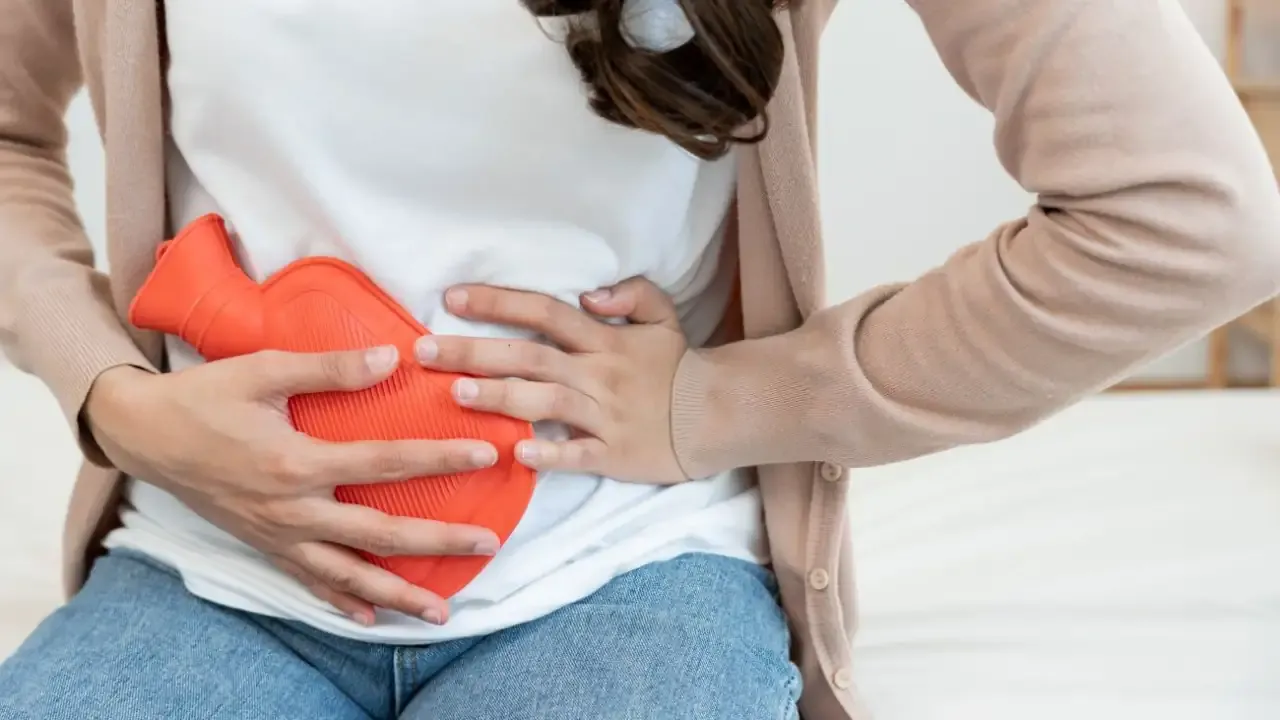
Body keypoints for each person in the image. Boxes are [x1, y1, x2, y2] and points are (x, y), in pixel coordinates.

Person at [0, 1, 1277, 718]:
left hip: (627, 578)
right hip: (206, 575)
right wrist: (114, 401)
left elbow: (1186, 217)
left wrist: (727, 401)